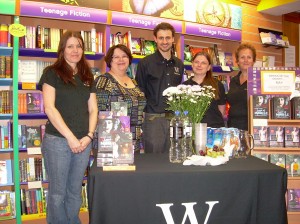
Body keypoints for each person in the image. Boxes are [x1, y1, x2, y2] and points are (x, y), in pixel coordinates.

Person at [38, 31, 98, 224]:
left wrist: (89, 136)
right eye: (70, 46)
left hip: (83, 142)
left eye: (79, 46)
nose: (75, 50)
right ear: (62, 49)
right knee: (57, 192)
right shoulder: (52, 73)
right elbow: (50, 108)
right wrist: (71, 138)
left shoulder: (88, 76)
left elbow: (93, 109)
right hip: (58, 141)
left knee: (74, 190)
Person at [135, 22, 184, 153]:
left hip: (174, 118)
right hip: (153, 119)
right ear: (155, 39)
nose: (164, 41)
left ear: (173, 39)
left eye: (168, 38)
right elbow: (140, 91)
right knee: (153, 160)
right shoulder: (145, 63)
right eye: (161, 38)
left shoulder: (179, 64)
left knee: (174, 156)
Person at [95, 44, 146, 153]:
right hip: (112, 142)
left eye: (124, 56)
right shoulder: (104, 81)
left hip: (133, 142)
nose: (121, 60)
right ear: (110, 60)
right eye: (116, 57)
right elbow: (99, 112)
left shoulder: (133, 81)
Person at [183, 52, 226, 127]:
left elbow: (221, 109)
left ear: (209, 67)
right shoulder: (184, 86)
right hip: (192, 129)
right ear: (192, 64)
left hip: (214, 129)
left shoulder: (217, 85)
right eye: (197, 62)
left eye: (203, 63)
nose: (199, 65)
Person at [227, 43, 256, 131]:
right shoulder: (233, 81)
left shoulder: (257, 81)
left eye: (249, 57)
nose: (246, 60)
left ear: (253, 61)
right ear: (238, 61)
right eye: (242, 57)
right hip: (233, 126)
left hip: (250, 127)